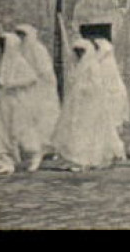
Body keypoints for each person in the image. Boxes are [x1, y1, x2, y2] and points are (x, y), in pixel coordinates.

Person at [0, 31, 45, 174]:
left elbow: (31, 79)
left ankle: (32, 156)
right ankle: (4, 161)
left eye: (4, 45)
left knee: (18, 131)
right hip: (2, 102)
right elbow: (0, 81)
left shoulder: (19, 61)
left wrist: (10, 84)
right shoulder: (2, 63)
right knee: (0, 132)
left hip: (17, 102)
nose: (2, 48)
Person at [51, 38, 121, 170]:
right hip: (75, 103)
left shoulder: (92, 65)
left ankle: (83, 159)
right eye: (77, 52)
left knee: (85, 130)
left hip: (90, 104)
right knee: (72, 129)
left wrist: (82, 88)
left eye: (81, 52)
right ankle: (72, 157)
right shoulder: (76, 65)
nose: (78, 55)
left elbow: (96, 85)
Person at [14, 23, 62, 157]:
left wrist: (32, 77)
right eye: (19, 35)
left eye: (23, 35)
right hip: (28, 87)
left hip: (42, 89)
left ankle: (47, 147)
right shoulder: (19, 51)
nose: (21, 38)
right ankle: (30, 148)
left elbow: (44, 71)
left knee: (43, 117)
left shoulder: (38, 50)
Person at [92, 39, 130, 164]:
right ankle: (111, 152)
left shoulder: (106, 64)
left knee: (109, 125)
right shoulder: (103, 63)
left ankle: (116, 151)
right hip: (107, 97)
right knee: (105, 126)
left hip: (112, 98)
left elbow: (106, 84)